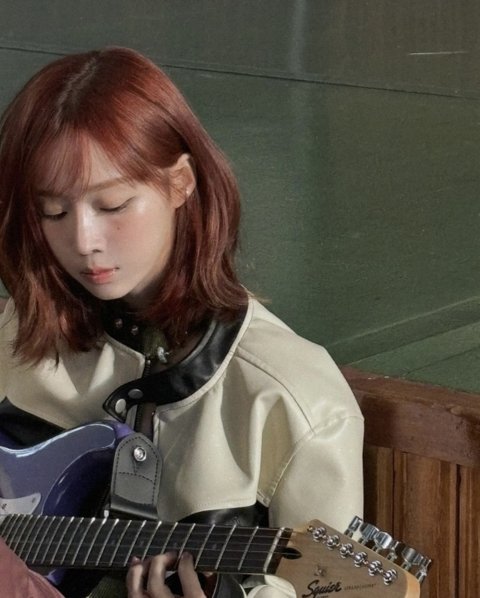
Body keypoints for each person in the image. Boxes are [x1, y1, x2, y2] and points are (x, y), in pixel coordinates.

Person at [0, 47, 364, 597]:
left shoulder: (296, 399)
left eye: (112, 204)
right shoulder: (18, 333)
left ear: (180, 183)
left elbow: (338, 584)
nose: (83, 240)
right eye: (53, 211)